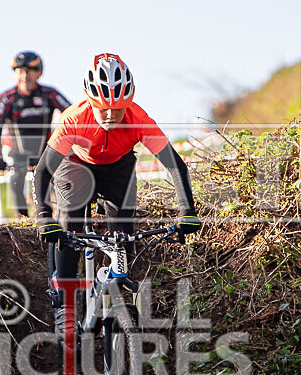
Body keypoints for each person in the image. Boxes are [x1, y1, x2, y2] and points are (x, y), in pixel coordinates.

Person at [32, 53, 202, 339]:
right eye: (103, 110)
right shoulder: (74, 118)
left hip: (117, 167)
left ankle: (119, 294)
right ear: (90, 101)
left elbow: (175, 165)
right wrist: (43, 215)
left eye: (119, 109)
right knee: (69, 224)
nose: (111, 115)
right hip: (76, 164)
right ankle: (65, 304)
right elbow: (42, 172)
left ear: (129, 102)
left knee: (124, 232)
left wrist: (188, 211)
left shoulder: (138, 118)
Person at [0, 51, 71, 217]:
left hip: (44, 151)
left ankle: (52, 217)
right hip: (17, 154)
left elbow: (72, 114)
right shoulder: (7, 98)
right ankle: (23, 221)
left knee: (53, 181)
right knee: (15, 179)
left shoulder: (50, 94)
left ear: (38, 73)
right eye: (20, 71)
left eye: (29, 71)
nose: (24, 76)